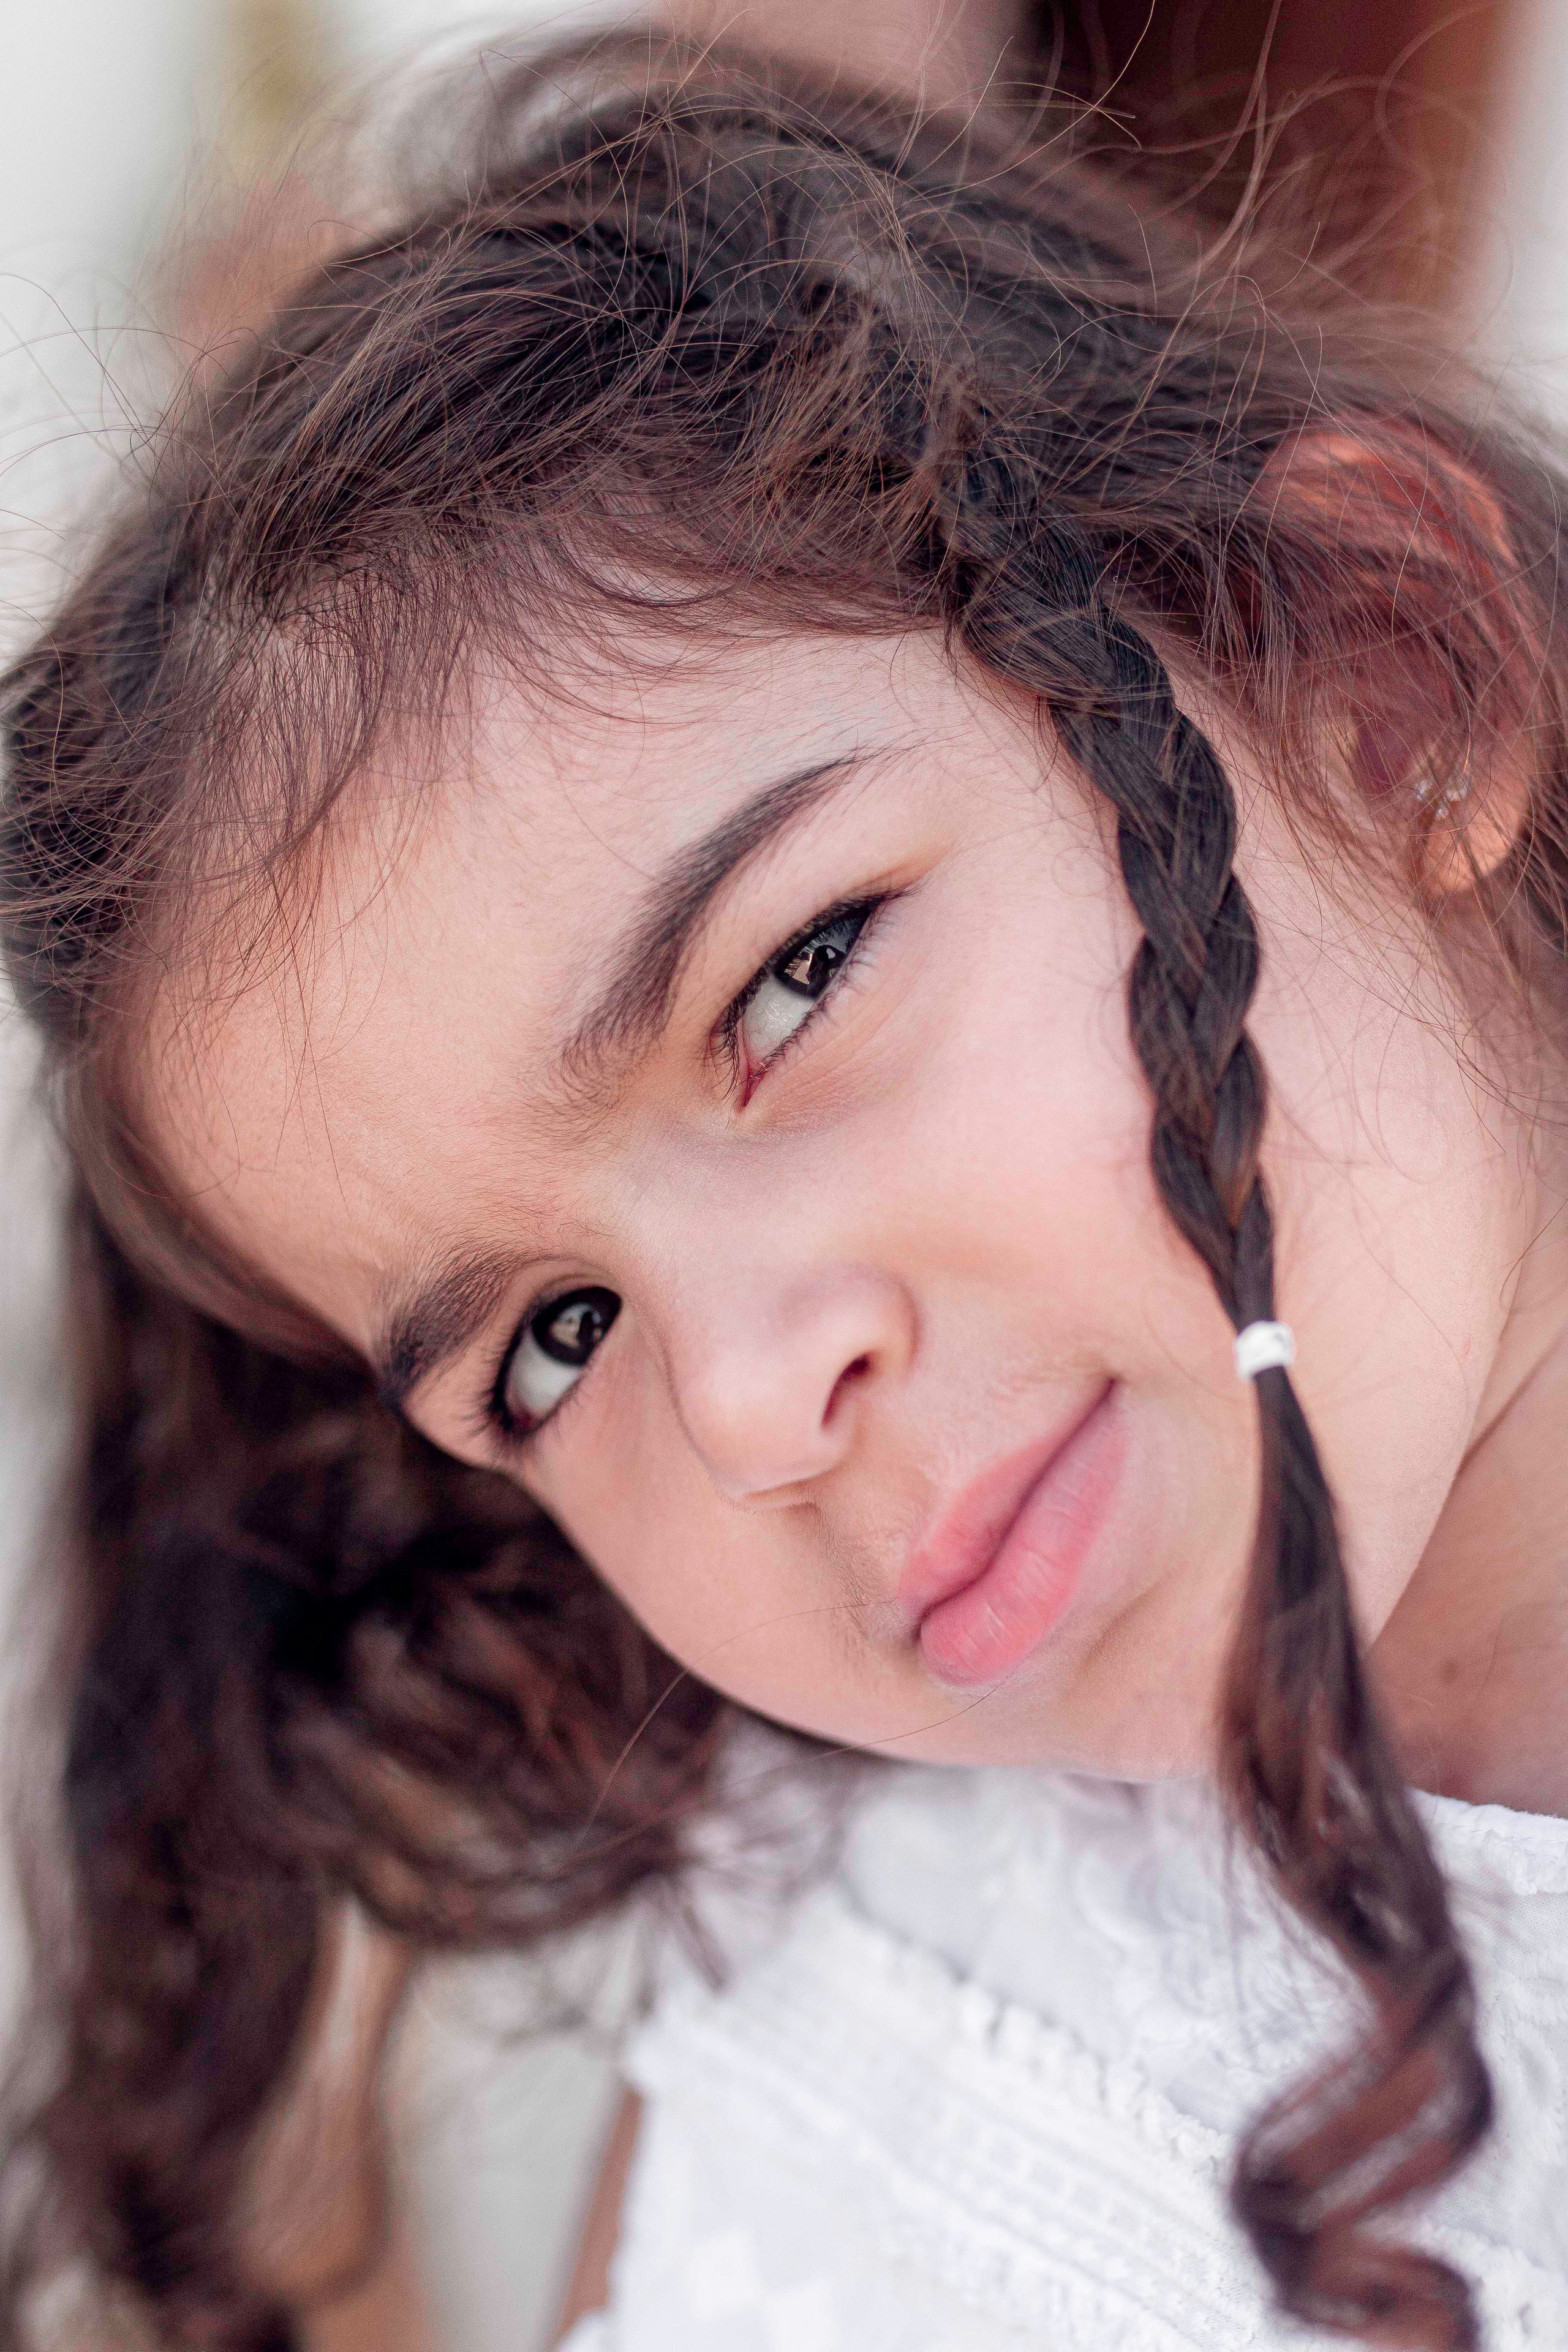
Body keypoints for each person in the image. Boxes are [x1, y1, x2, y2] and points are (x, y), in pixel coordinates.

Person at [0, 29, 1564, 2352]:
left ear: (1381, 676)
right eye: (554, 1340)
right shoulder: (833, 1913)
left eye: (792, 979)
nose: (744, 1404)